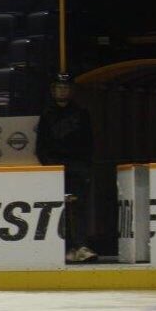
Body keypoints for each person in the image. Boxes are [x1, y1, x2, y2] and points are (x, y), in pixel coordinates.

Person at [35, 73, 97, 263]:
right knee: (59, 207)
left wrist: (85, 166)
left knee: (78, 206)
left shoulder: (81, 113)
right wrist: (49, 167)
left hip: (77, 167)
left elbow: (89, 143)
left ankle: (81, 246)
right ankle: (66, 247)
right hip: (55, 168)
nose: (62, 91)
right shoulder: (47, 114)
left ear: (72, 91)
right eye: (59, 88)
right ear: (53, 91)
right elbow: (41, 146)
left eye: (66, 87)